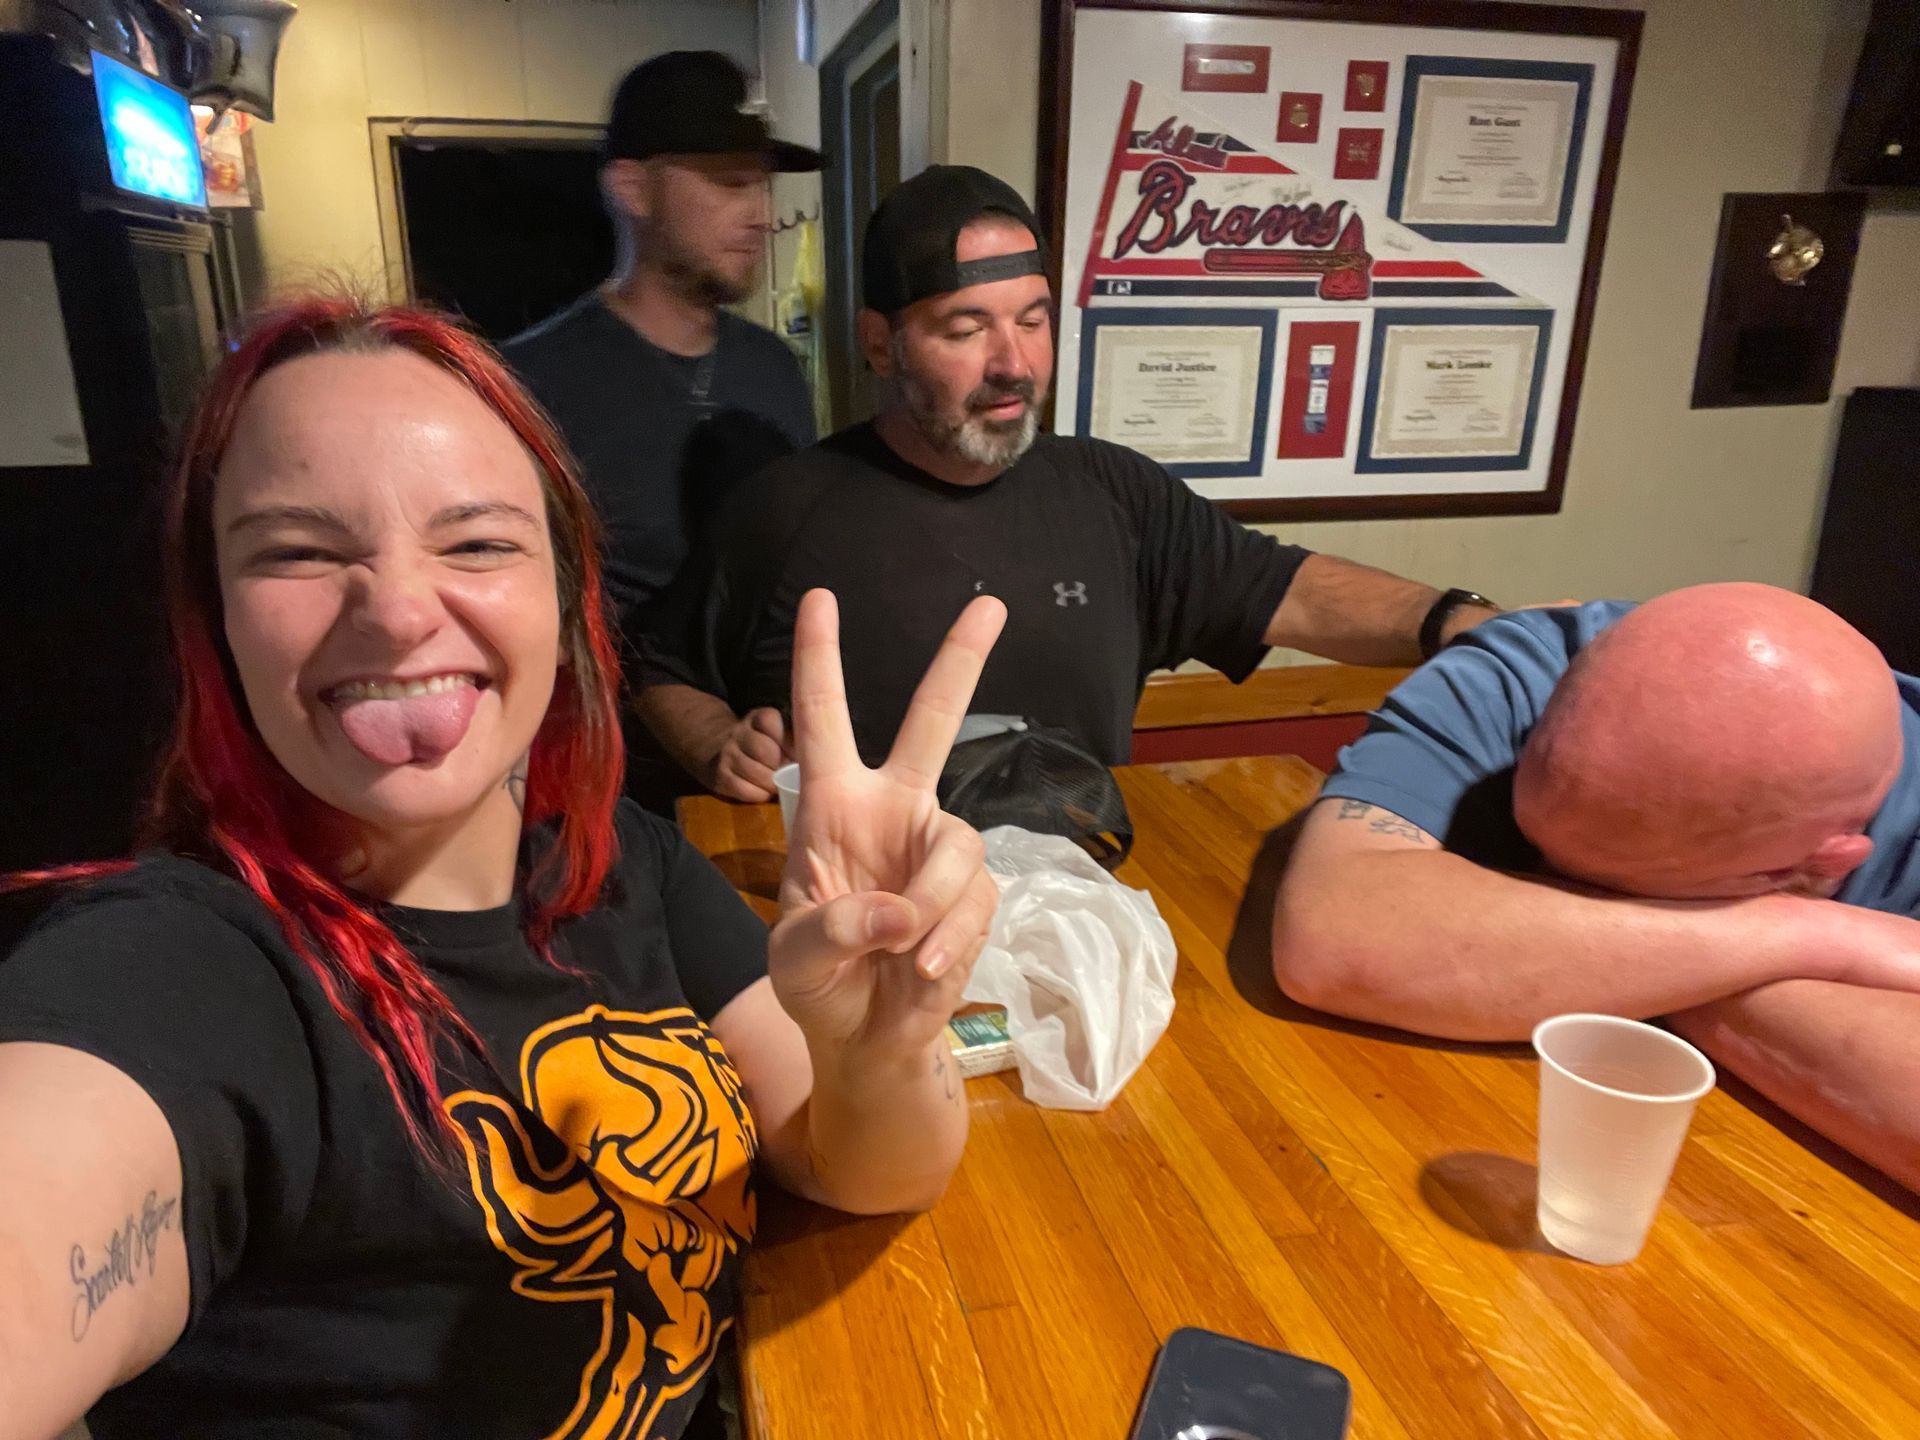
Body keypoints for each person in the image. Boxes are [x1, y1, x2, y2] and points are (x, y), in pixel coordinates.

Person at [0, 298, 1004, 1440]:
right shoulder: (182, 966)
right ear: (217, 615)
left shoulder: (624, 860)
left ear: (564, 596)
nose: (396, 611)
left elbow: (861, 1170)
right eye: (299, 551)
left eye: (476, 541)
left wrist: (884, 1044)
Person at [633, 164, 1510, 804]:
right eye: (965, 327)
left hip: (1086, 909)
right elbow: (658, 665)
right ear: (878, 344)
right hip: (867, 927)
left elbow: (1293, 591)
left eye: (1034, 320)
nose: (1013, 364)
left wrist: (1459, 625)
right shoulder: (786, 509)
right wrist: (717, 743)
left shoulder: (1113, 493)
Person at [1272, 583, 1920, 1193]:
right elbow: (1333, 935)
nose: (1568, 891)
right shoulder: (1525, 668)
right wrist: (1821, 937)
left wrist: (1587, 957)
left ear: (1829, 861)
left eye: (1661, 891)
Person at [503, 50, 820, 626]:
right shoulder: (530, 385)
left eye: (764, 185)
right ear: (633, 189)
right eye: (732, 184)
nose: (763, 214)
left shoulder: (776, 367)